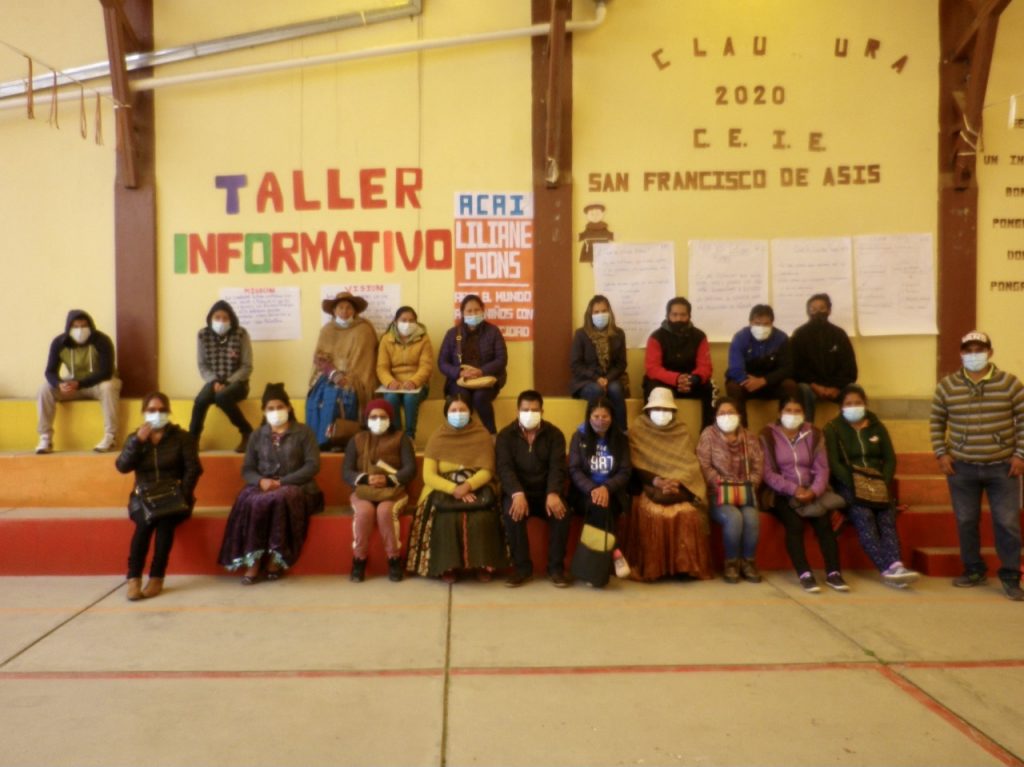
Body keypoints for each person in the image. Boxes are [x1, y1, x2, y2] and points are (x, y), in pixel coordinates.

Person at [930, 331, 1024, 601]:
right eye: (968, 349)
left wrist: (1020, 454)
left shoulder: (1010, 383)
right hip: (961, 468)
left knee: (1007, 522)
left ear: (990, 352)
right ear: (961, 353)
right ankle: (973, 569)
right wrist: (941, 453)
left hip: (1003, 468)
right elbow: (937, 420)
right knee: (966, 520)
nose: (974, 354)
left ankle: (1009, 576)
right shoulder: (947, 386)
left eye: (979, 349)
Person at [218, 383, 323, 584]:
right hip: (263, 485)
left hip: (298, 486)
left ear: (289, 408)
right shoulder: (257, 436)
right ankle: (253, 562)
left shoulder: (304, 433)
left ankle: (276, 559)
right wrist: (260, 481)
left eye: (280, 407)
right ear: (264, 411)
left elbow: (312, 466)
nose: (276, 412)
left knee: (279, 498)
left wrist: (283, 481)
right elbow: (247, 469)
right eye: (271, 408)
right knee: (248, 499)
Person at [825, 385, 919, 588]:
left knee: (886, 516)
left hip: (878, 485)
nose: (853, 407)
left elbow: (890, 459)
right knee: (864, 515)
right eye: (848, 404)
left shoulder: (878, 427)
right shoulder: (832, 429)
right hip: (850, 485)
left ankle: (896, 564)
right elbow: (834, 463)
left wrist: (882, 483)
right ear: (841, 407)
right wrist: (856, 484)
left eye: (857, 403)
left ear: (865, 404)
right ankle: (887, 569)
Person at [406, 394, 506, 582]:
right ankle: (446, 566)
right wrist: (454, 489)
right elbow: (428, 476)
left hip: (477, 485)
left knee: (481, 518)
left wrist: (468, 485)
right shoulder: (437, 437)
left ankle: (483, 564)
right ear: (446, 413)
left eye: (462, 410)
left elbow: (488, 470)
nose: (458, 414)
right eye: (453, 410)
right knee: (446, 519)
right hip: (442, 489)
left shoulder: (482, 435)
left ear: (470, 412)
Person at [115, 392, 203, 600]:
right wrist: (137, 442)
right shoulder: (136, 438)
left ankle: (156, 578)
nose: (157, 414)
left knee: (165, 522)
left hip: (175, 496)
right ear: (144, 413)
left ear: (169, 412)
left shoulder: (182, 438)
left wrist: (182, 495)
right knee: (144, 524)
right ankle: (133, 579)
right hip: (143, 498)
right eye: (152, 410)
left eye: (162, 410)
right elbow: (122, 467)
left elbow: (194, 469)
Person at [760, 395, 849, 593]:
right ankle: (804, 574)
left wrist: (814, 490)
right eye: (788, 411)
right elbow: (767, 473)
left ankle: (834, 573)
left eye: (797, 411)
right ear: (779, 413)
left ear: (804, 414)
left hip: (811, 490)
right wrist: (793, 489)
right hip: (780, 493)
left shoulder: (814, 433)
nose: (792, 415)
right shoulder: (767, 435)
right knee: (794, 524)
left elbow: (822, 469)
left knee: (823, 523)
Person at [626, 387, 712, 582]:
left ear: (674, 411)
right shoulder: (638, 429)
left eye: (667, 409)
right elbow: (635, 464)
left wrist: (676, 482)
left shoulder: (680, 430)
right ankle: (656, 569)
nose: (662, 413)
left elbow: (689, 464)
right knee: (655, 513)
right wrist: (658, 482)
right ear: (648, 410)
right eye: (657, 408)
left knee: (687, 513)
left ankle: (685, 568)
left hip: (679, 486)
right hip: (650, 486)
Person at [496, 390, 571, 588]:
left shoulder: (555, 434)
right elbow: (504, 468)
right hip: (518, 492)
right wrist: (516, 493)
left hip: (547, 492)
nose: (530, 413)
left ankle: (555, 569)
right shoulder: (505, 436)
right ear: (517, 410)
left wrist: (553, 492)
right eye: (525, 409)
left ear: (542, 411)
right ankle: (522, 569)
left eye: (534, 410)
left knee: (561, 513)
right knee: (512, 513)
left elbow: (558, 467)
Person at [343, 399, 416, 583]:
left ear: (390, 419)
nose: (378, 420)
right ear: (367, 418)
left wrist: (389, 480)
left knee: (385, 512)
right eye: (373, 416)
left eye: (382, 417)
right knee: (364, 512)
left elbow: (410, 468)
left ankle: (393, 559)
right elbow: (346, 471)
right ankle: (359, 559)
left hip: (393, 491)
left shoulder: (401, 439)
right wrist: (367, 479)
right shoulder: (357, 440)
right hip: (363, 491)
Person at [697, 397, 764, 584]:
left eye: (730, 412)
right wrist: (723, 484)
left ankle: (748, 562)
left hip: (746, 494)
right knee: (734, 517)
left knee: (751, 518)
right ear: (715, 417)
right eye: (722, 413)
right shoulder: (708, 435)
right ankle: (732, 563)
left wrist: (749, 484)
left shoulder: (750, 438)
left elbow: (759, 467)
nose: (726, 416)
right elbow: (704, 466)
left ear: (739, 415)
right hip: (718, 495)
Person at [36, 309, 122, 453]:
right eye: (75, 327)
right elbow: (50, 371)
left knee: (109, 386)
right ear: (68, 327)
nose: (80, 330)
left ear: (91, 326)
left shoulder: (102, 340)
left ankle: (110, 436)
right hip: (74, 383)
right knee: (45, 389)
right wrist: (59, 384)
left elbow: (106, 371)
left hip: (98, 383)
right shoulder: (59, 343)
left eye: (84, 326)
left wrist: (80, 384)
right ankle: (45, 438)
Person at [568, 396, 632, 581]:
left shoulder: (620, 439)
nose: (600, 420)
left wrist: (606, 488)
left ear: (612, 417)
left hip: (613, 493)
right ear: (589, 417)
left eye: (605, 416)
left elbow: (625, 471)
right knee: (599, 507)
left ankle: (594, 572)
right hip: (583, 493)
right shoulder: (579, 436)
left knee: (603, 507)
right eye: (596, 416)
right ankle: (616, 552)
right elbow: (574, 469)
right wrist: (593, 489)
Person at [308, 291, 379, 445]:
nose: (344, 311)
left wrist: (350, 380)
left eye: (348, 308)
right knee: (318, 398)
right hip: (329, 376)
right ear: (334, 311)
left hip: (356, 378)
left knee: (344, 396)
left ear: (354, 310)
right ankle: (320, 442)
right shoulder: (327, 330)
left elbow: (365, 360)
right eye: (340, 307)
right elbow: (319, 358)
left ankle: (345, 440)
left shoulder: (364, 330)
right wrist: (334, 374)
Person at [189, 299, 254, 452]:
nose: (221, 321)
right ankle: (192, 440)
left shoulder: (241, 333)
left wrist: (227, 382)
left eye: (225, 318)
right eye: (217, 317)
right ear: (210, 319)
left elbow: (247, 366)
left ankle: (247, 432)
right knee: (200, 401)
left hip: (238, 383)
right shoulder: (203, 335)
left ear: (231, 320)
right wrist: (214, 381)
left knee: (222, 397)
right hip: (214, 382)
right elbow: (202, 365)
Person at [438, 294, 508, 434]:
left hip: (486, 380)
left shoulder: (493, 332)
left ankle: (492, 434)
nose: (473, 314)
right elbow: (442, 362)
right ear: (462, 313)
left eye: (476, 310)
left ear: (483, 311)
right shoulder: (453, 334)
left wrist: (481, 371)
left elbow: (502, 359)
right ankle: (464, 435)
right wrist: (459, 372)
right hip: (459, 381)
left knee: (480, 397)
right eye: (469, 311)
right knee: (462, 399)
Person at [642, 296, 714, 429]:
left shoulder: (699, 336)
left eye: (683, 315)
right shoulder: (656, 337)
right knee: (652, 387)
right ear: (667, 315)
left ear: (689, 316)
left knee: (708, 388)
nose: (679, 319)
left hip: (690, 382)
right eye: (674, 315)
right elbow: (652, 369)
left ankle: (707, 431)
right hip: (665, 383)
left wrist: (693, 379)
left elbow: (705, 366)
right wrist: (676, 379)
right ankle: (651, 429)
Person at [725, 304, 797, 427]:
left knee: (790, 386)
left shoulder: (781, 338)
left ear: (772, 323)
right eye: (757, 323)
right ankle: (742, 432)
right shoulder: (740, 337)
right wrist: (747, 381)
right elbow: (735, 368)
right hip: (747, 384)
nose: (761, 327)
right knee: (733, 387)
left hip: (770, 383)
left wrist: (764, 381)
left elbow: (787, 368)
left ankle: (785, 428)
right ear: (750, 322)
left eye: (766, 324)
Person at [789, 293, 857, 422]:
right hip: (811, 387)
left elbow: (850, 369)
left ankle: (854, 432)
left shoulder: (839, 334)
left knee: (856, 389)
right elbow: (796, 368)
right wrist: (815, 386)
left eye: (822, 308)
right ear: (808, 312)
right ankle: (808, 432)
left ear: (829, 310)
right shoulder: (799, 335)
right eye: (813, 309)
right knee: (803, 389)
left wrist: (835, 387)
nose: (817, 312)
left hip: (837, 387)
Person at [570, 294, 629, 430]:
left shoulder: (618, 334)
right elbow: (576, 364)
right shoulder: (581, 334)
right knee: (596, 391)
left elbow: (621, 363)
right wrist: (596, 378)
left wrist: (607, 379)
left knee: (616, 389)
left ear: (609, 313)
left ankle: (621, 433)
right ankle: (592, 431)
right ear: (590, 314)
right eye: (596, 312)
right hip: (586, 380)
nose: (600, 314)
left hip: (611, 379)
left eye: (604, 311)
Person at [376, 305, 433, 440]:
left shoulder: (424, 339)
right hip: (393, 385)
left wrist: (414, 381)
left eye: (411, 320)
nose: (407, 324)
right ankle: (396, 436)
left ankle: (409, 436)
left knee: (410, 398)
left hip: (418, 385)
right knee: (391, 399)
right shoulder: (386, 339)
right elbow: (381, 367)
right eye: (403, 320)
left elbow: (426, 366)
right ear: (395, 322)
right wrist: (389, 382)